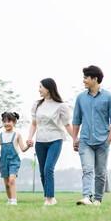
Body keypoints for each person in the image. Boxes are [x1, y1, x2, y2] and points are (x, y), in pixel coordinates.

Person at [72, 65, 111, 206]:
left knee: (100, 173)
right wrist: (75, 138)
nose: (83, 81)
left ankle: (98, 199)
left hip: (102, 142)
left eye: (86, 78)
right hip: (85, 141)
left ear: (95, 79)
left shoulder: (109, 97)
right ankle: (87, 197)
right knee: (87, 170)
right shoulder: (80, 98)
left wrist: (108, 140)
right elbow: (76, 120)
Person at [26, 78, 74, 206]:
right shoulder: (36, 105)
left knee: (48, 168)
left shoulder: (61, 106)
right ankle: (50, 197)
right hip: (40, 141)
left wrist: (75, 138)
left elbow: (67, 125)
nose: (39, 89)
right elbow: (34, 124)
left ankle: (49, 198)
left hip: (55, 140)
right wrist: (30, 137)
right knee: (42, 172)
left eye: (41, 87)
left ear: (48, 88)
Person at [0, 112, 30, 206]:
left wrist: (28, 146)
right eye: (4, 122)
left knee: (12, 180)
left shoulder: (17, 135)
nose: (6, 124)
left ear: (14, 122)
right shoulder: (0, 135)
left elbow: (22, 149)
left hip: (14, 160)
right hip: (3, 161)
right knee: (7, 184)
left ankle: (14, 200)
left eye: (9, 121)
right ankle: (10, 200)